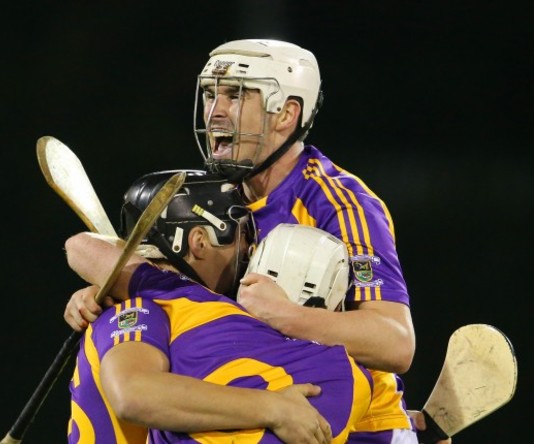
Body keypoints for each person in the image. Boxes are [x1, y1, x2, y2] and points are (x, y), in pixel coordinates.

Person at [65, 39, 451, 444]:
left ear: (286, 114)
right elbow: (183, 295)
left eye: (236, 96)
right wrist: (109, 290)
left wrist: (286, 316)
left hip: (348, 425)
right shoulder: (213, 195)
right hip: (250, 405)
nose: (215, 111)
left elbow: (395, 342)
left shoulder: (338, 203)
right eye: (211, 94)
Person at [66, 170, 373, 444]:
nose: (245, 254)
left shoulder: (176, 302)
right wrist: (273, 407)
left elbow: (133, 395)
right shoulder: (354, 378)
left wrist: (273, 408)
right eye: (241, 237)